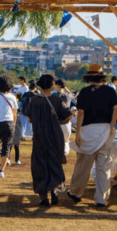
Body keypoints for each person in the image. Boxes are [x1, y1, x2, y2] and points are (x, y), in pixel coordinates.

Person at [67, 65, 117, 208]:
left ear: (89, 77)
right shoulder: (110, 91)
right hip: (106, 130)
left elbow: (81, 113)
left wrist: (77, 132)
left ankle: (76, 193)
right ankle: (102, 199)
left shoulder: (84, 92)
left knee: (83, 165)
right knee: (104, 167)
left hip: (88, 130)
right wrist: (112, 125)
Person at [24, 74, 72, 206]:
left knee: (39, 164)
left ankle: (43, 197)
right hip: (55, 136)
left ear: (39, 85)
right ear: (52, 86)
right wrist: (57, 122)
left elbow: (28, 118)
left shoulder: (34, 100)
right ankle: (54, 190)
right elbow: (68, 117)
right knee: (54, 163)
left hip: (39, 136)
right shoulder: (57, 100)